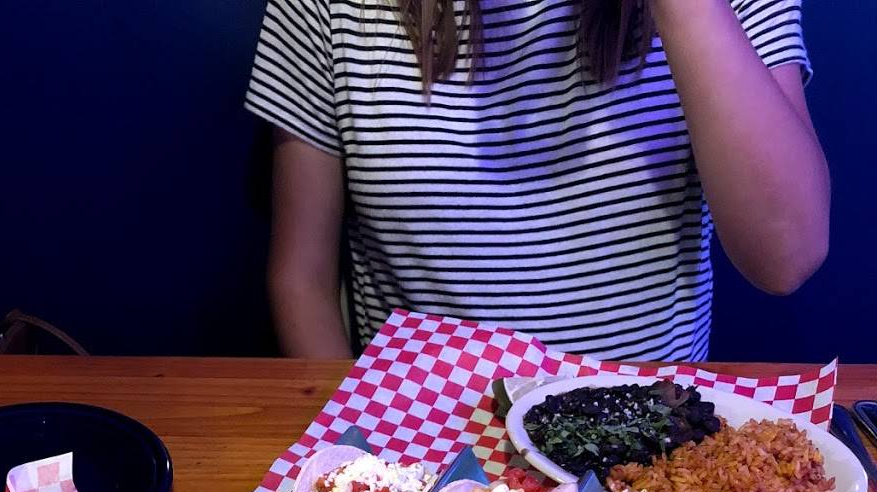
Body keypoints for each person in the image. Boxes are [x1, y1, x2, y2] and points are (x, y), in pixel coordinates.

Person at [245, 0, 829, 363]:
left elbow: (786, 255)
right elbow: (302, 279)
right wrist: (357, 456)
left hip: (655, 463)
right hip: (423, 459)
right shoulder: (328, 10)